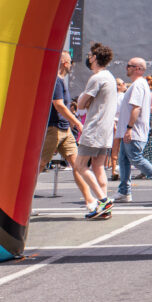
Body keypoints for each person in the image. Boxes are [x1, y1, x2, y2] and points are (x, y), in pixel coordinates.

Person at [113, 58, 152, 203]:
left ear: (138, 69)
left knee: (135, 158)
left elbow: (136, 108)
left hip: (134, 130)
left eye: (129, 65)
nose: (126, 68)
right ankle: (124, 191)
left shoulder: (138, 85)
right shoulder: (139, 84)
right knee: (124, 159)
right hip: (130, 129)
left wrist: (129, 128)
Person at [38, 52, 93, 209]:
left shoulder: (61, 81)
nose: (71, 65)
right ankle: (22, 203)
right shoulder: (56, 81)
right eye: (70, 62)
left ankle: (90, 201)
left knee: (78, 165)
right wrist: (76, 122)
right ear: (63, 62)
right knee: (40, 165)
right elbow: (59, 105)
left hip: (64, 129)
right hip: (53, 129)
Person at [75, 42, 119, 219]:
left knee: (79, 166)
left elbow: (80, 104)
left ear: (94, 58)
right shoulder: (110, 77)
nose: (88, 57)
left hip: (94, 127)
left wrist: (83, 99)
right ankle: (104, 209)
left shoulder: (97, 78)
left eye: (89, 55)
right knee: (98, 167)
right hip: (106, 129)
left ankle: (103, 200)